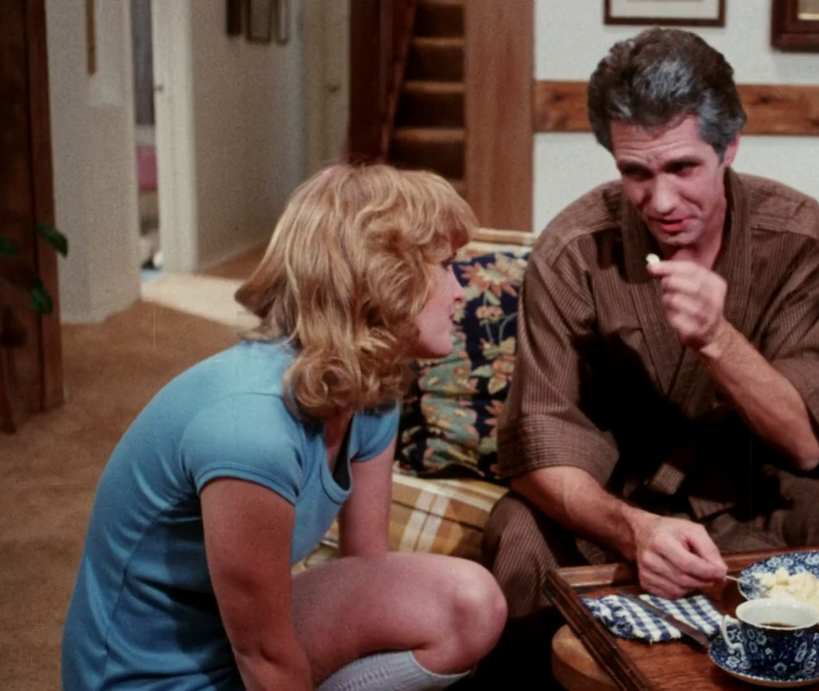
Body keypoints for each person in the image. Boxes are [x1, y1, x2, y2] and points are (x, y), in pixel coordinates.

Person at [481, 28, 819, 681]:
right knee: (518, 537)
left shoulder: (799, 238)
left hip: (750, 493)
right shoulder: (574, 250)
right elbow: (535, 454)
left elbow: (806, 447)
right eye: (635, 172)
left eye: (682, 168)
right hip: (606, 501)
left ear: (729, 146)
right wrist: (634, 531)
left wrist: (718, 340)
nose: (659, 202)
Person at [61, 165, 506, 690]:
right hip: (150, 677)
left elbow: (366, 571)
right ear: (382, 278)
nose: (461, 290)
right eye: (447, 267)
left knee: (470, 605)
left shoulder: (372, 391)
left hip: (240, 642)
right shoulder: (251, 428)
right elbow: (263, 657)